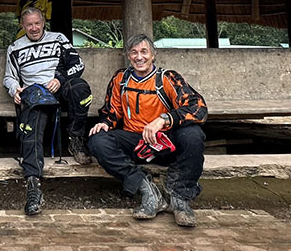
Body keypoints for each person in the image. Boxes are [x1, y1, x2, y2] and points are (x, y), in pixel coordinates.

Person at [87, 34, 208, 227]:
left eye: (144, 51)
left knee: (193, 134)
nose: (139, 57)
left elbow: (198, 107)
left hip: (165, 143)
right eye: (134, 52)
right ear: (128, 56)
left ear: (153, 55)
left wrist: (164, 119)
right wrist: (106, 123)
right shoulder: (121, 79)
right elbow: (112, 110)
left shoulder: (167, 78)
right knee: (97, 140)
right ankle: (147, 190)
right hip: (137, 144)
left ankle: (179, 197)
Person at [4, 7, 92, 215]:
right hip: (35, 93)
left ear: (43, 22)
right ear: (22, 26)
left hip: (58, 87)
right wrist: (14, 89)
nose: (34, 28)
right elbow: (9, 77)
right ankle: (33, 183)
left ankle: (76, 139)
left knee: (80, 87)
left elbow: (78, 65)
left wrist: (59, 80)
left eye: (37, 23)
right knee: (33, 117)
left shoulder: (58, 38)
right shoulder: (15, 47)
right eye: (29, 24)